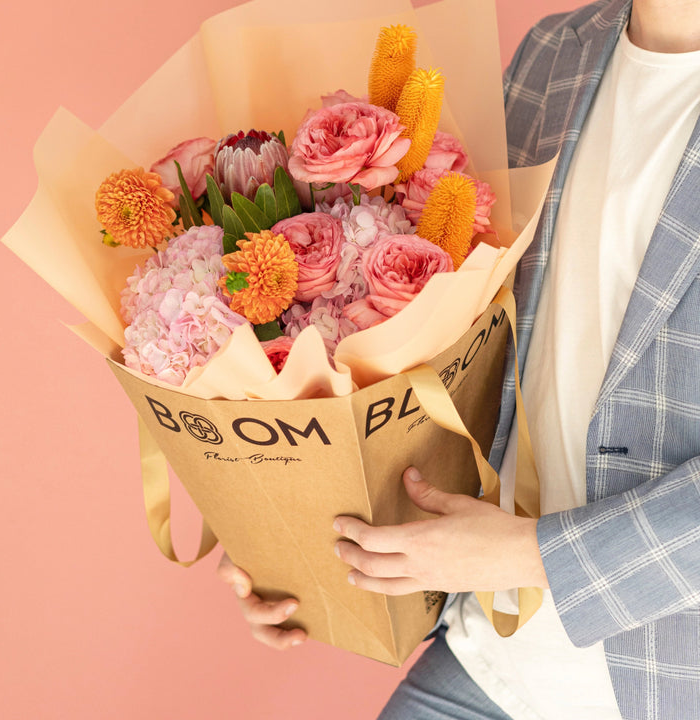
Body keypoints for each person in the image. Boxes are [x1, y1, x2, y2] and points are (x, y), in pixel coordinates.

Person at [218, 0, 700, 717]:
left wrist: (526, 555)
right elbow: (470, 338)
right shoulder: (555, 54)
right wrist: (292, 523)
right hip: (490, 659)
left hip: (665, 677)